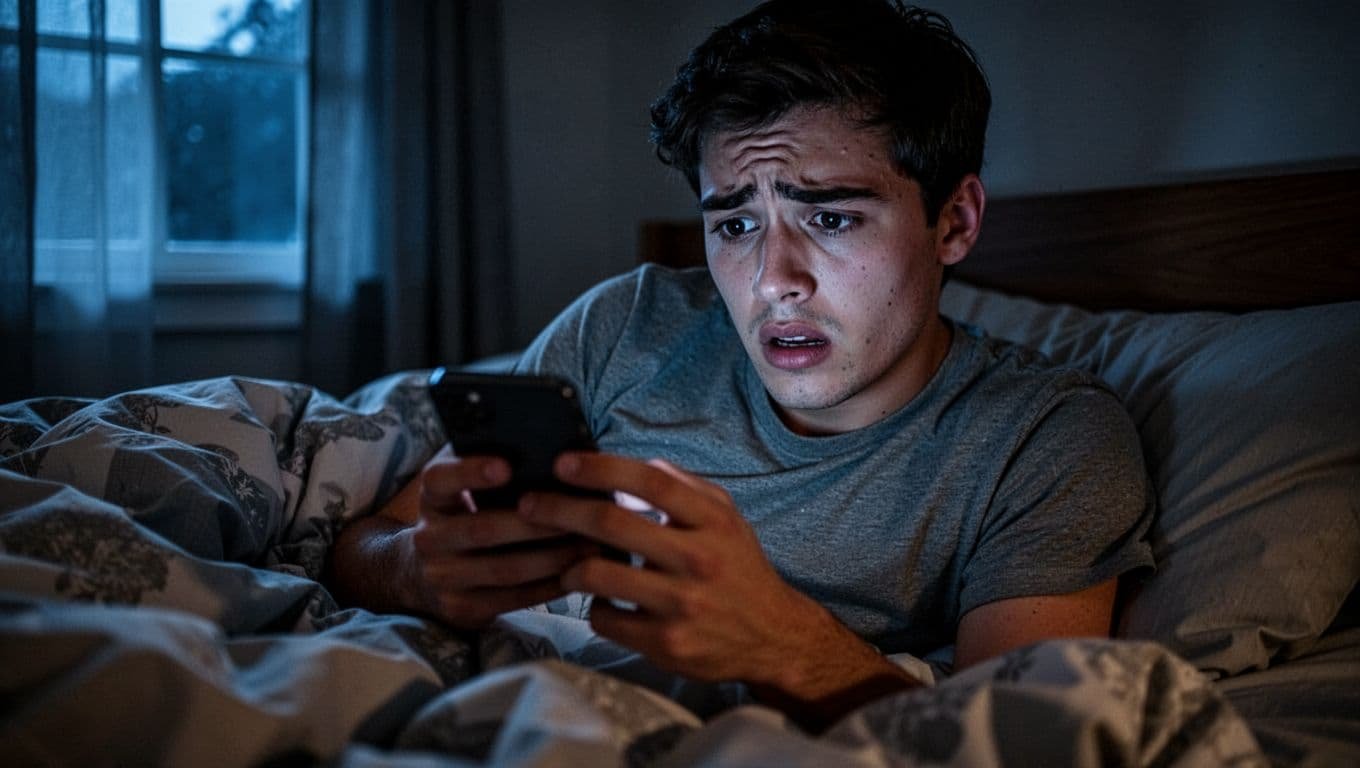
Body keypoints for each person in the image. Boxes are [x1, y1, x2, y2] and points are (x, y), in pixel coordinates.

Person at [331, 0, 1153, 730]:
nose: (772, 282)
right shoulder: (628, 320)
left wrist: (784, 642)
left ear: (954, 222)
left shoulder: (1048, 441)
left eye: (830, 218)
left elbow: (1020, 742)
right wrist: (412, 574)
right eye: (734, 226)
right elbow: (369, 546)